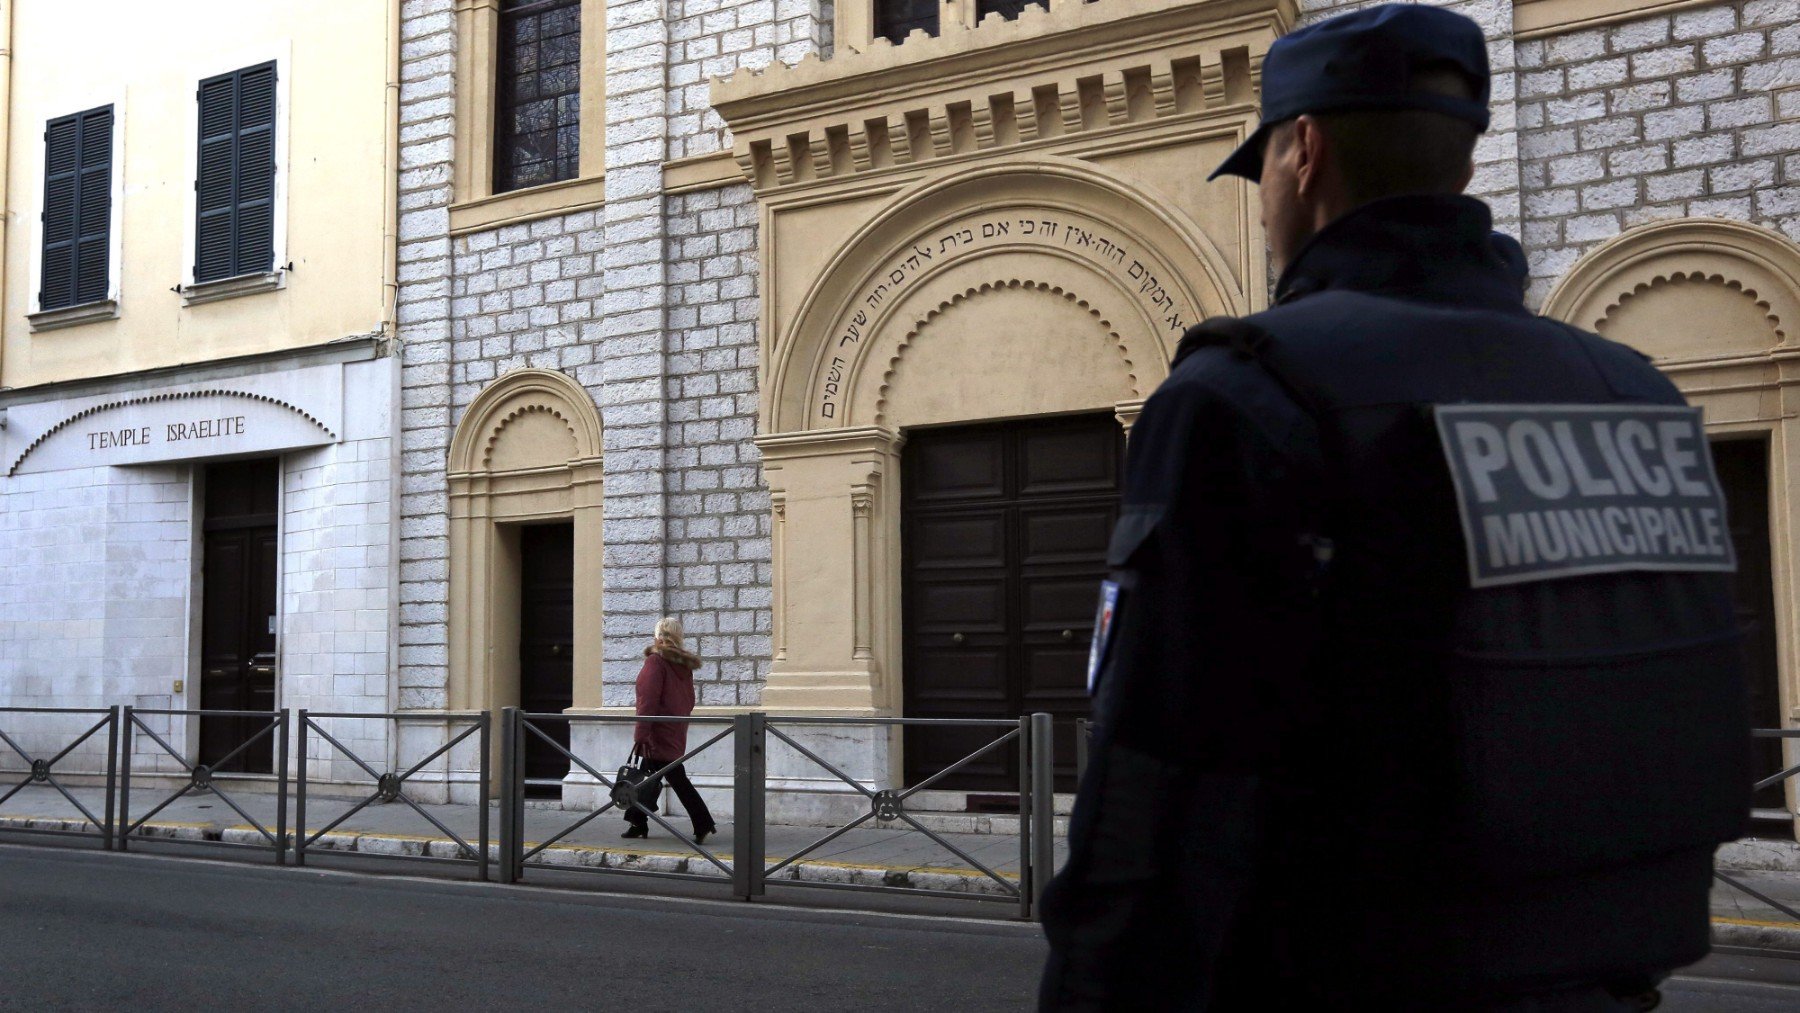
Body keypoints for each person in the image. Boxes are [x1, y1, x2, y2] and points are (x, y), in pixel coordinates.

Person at [1039, 5, 1751, 1010]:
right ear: (1460, 170)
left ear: (1304, 152)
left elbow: (1151, 791)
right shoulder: (1634, 391)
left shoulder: (1247, 392)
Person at [623, 616, 717, 844]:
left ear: (657, 636)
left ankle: (703, 822)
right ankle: (637, 822)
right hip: (674, 729)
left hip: (656, 732)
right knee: (649, 777)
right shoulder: (683, 666)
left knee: (669, 778)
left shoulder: (656, 662)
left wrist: (641, 734)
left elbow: (647, 700)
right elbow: (689, 700)